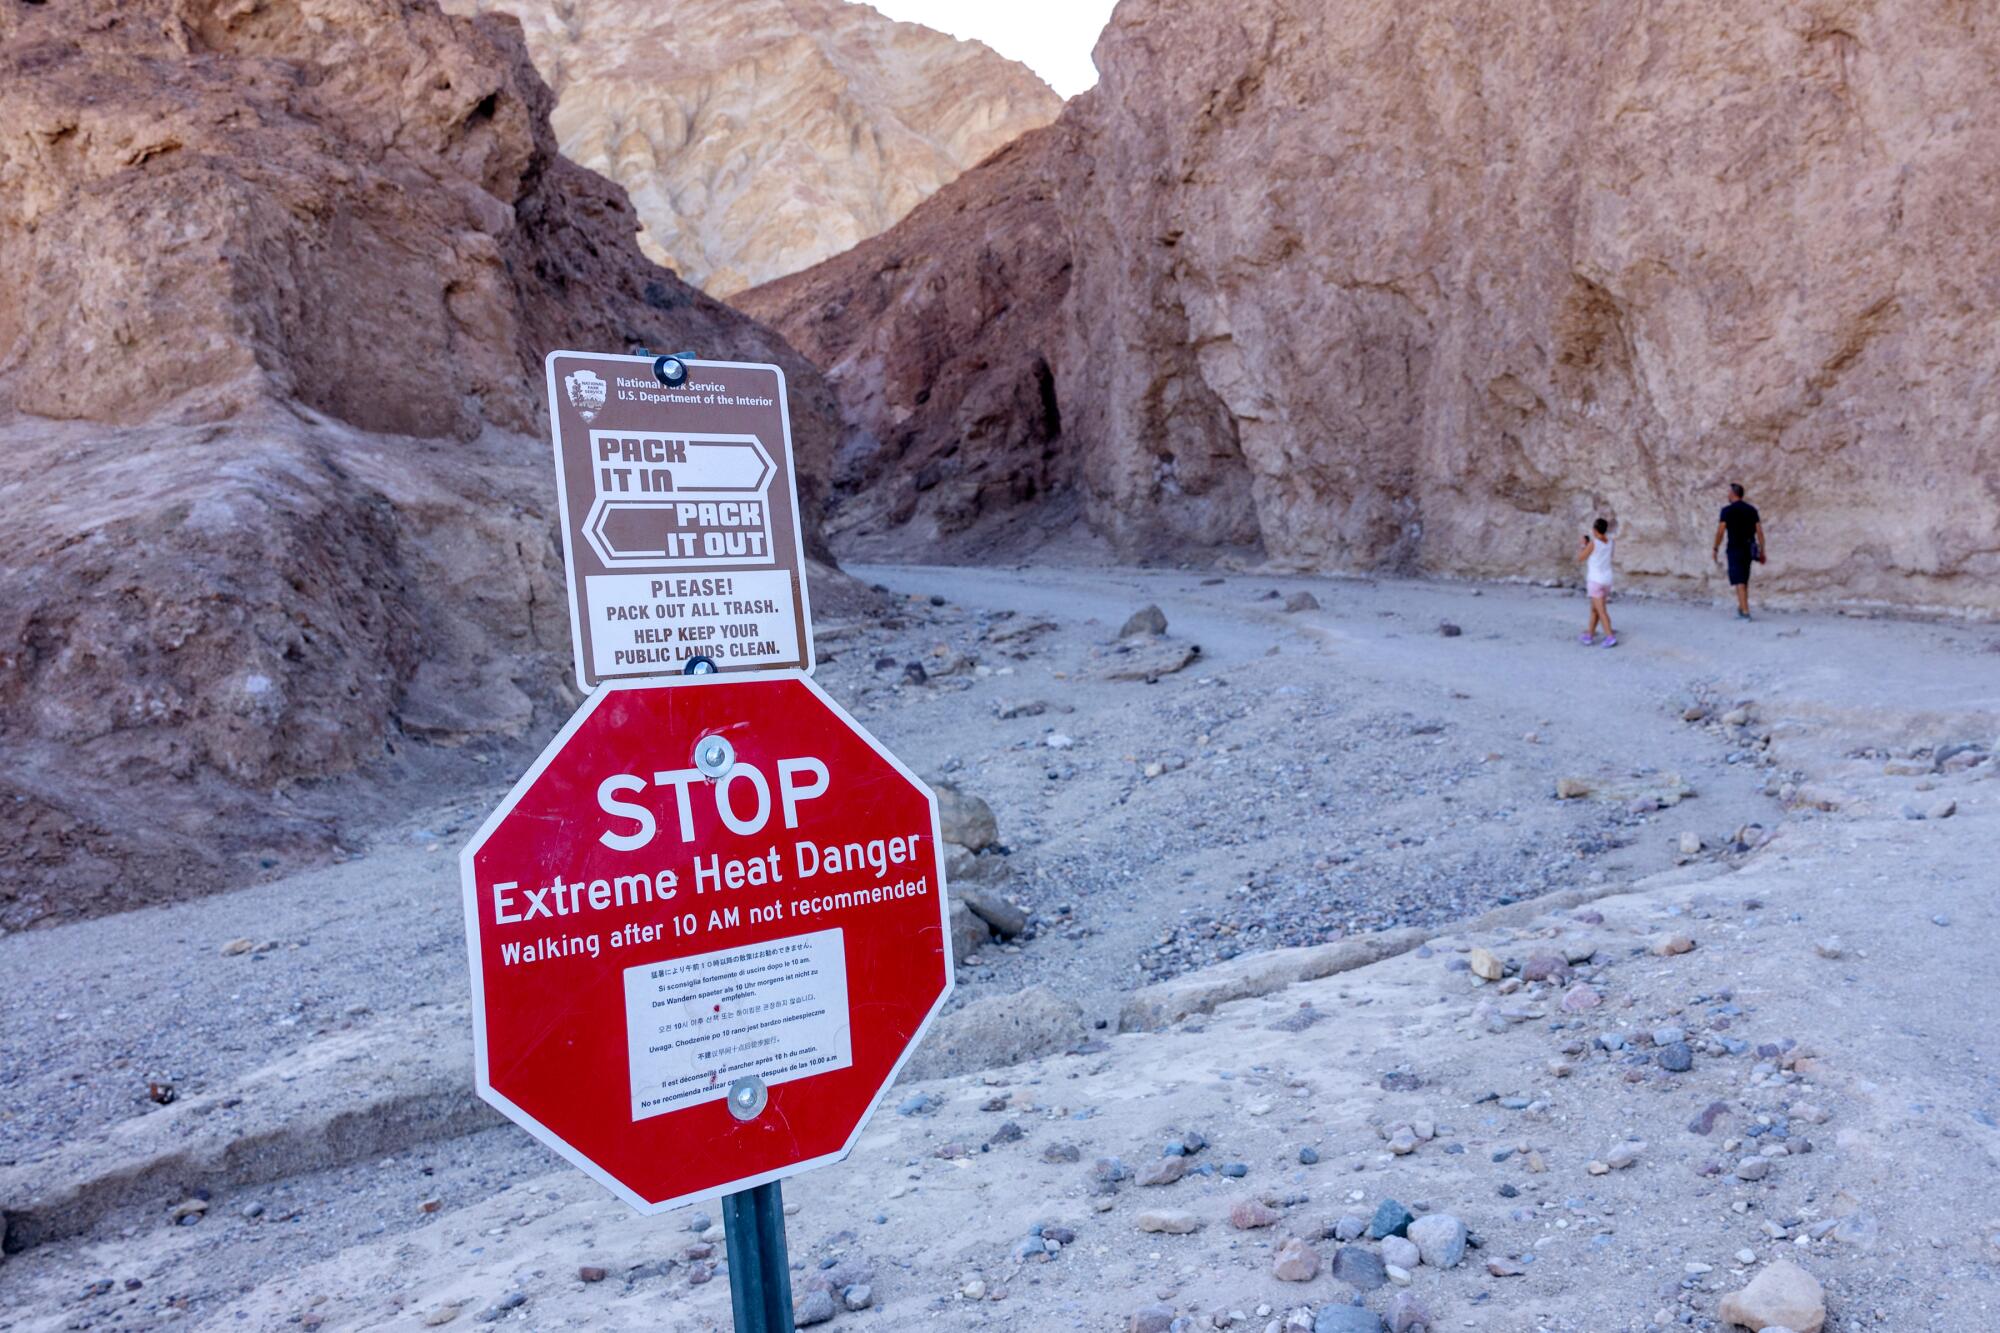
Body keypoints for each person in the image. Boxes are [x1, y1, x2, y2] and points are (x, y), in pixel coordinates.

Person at [1712, 483, 1766, 619]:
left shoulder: (1727, 511)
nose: (1727, 495)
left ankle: (1746, 612)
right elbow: (1759, 531)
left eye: (1728, 492)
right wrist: (1762, 550)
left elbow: (1720, 532)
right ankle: (1742, 607)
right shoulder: (1751, 510)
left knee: (1739, 580)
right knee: (1744, 579)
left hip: (1735, 548)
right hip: (1749, 548)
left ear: (1733, 493)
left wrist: (1715, 548)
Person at [1576, 517, 1617, 647]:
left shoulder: (1593, 543)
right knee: (1594, 609)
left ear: (1594, 530)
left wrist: (1583, 545)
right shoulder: (1611, 542)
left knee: (1601, 611)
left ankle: (1610, 636)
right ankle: (1589, 635)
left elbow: (1581, 558)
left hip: (1595, 580)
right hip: (1607, 580)